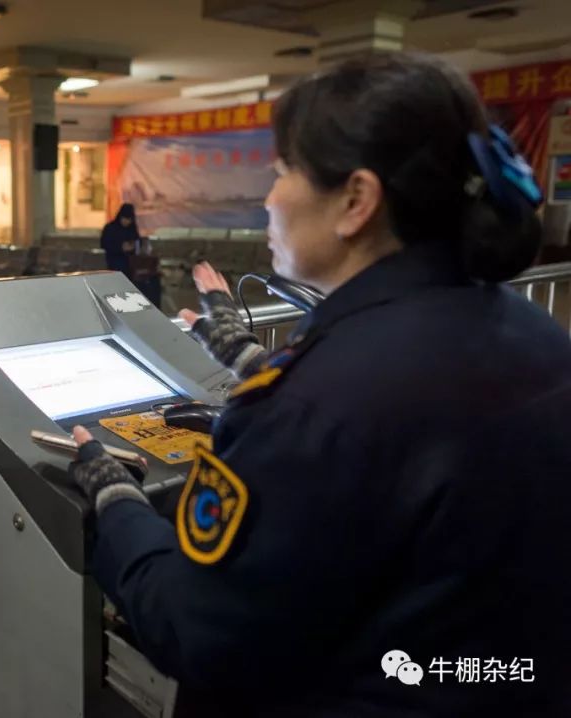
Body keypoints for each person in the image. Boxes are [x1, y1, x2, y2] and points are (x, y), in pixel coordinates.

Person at [68, 53, 571, 716]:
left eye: (283, 174)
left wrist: (118, 506)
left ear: (356, 201)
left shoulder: (312, 407)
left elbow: (200, 632)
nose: (269, 199)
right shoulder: (541, 338)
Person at [100, 203, 141, 276]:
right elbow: (104, 244)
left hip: (130, 262)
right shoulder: (111, 228)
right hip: (114, 261)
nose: (126, 221)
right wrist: (120, 247)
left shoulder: (132, 229)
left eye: (129, 219)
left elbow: (138, 241)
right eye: (125, 218)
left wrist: (132, 246)